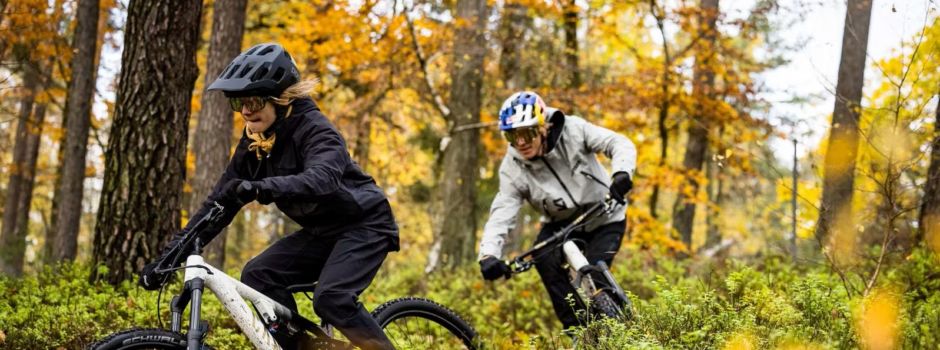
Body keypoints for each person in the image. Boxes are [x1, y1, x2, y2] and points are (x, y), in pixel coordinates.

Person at [137, 43, 398, 350]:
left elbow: (323, 179)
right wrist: (168, 258)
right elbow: (218, 204)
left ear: (280, 98)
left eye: (254, 100)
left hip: (365, 225)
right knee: (258, 275)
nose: (246, 110)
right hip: (323, 232)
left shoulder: (316, 131)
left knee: (331, 299)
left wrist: (263, 187)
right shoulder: (254, 143)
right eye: (239, 102)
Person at [478, 91, 636, 330]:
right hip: (560, 223)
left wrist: (622, 173)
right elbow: (502, 211)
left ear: (544, 126)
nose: (520, 142)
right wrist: (489, 254)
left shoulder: (574, 130)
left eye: (526, 133)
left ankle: (621, 332)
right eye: (512, 135)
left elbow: (618, 143)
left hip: (605, 215)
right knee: (545, 262)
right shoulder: (512, 168)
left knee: (595, 274)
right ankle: (580, 332)